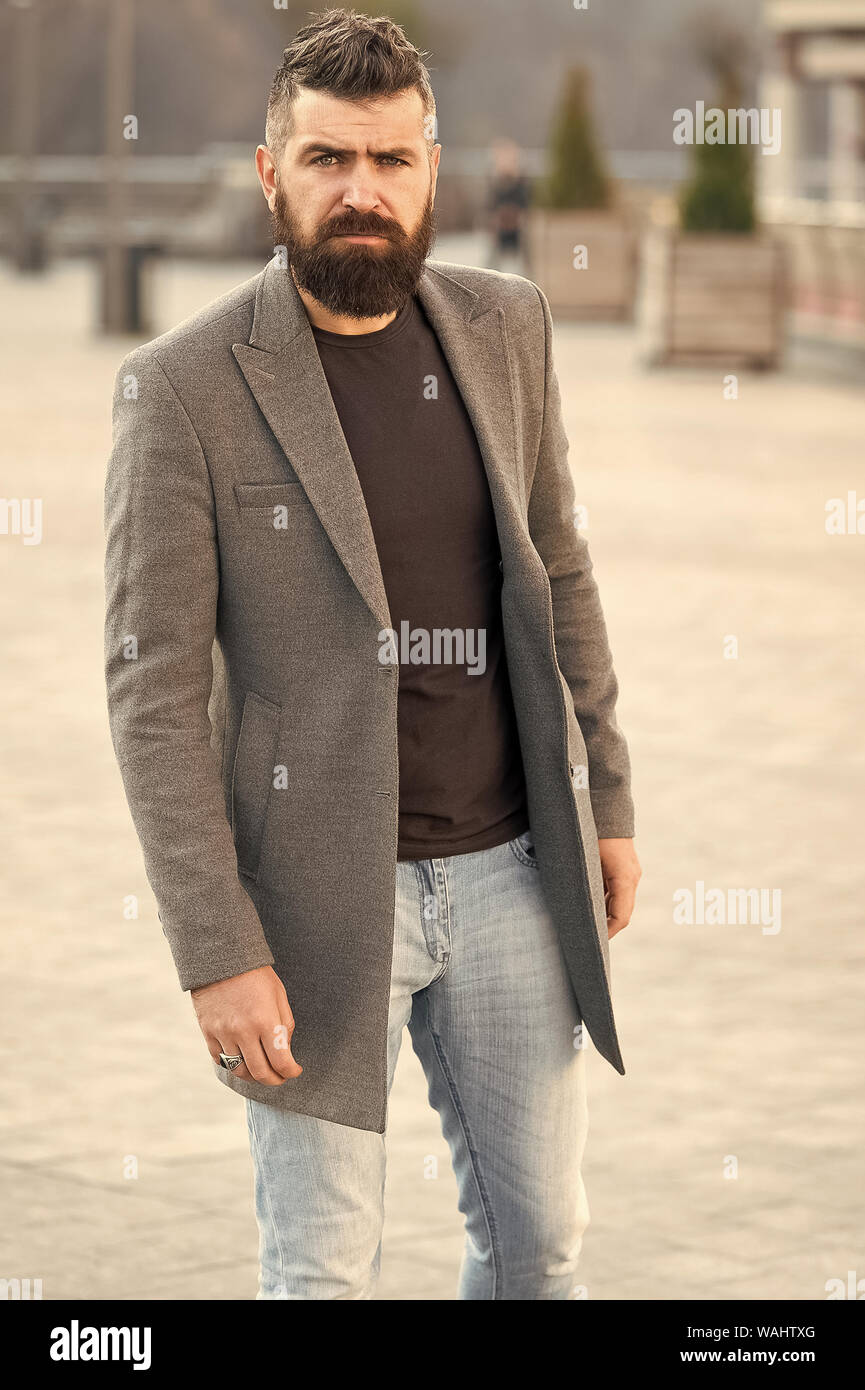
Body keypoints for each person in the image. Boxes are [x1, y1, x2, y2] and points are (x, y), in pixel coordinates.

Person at [104, 8, 641, 1301]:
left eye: (390, 161)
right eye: (330, 159)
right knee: (324, 1274)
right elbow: (151, 687)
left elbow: (556, 571)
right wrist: (213, 942)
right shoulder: (184, 387)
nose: (362, 191)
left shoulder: (505, 327)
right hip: (312, 911)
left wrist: (606, 798)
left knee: (539, 1248)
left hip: (514, 874)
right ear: (270, 171)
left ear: (433, 171)